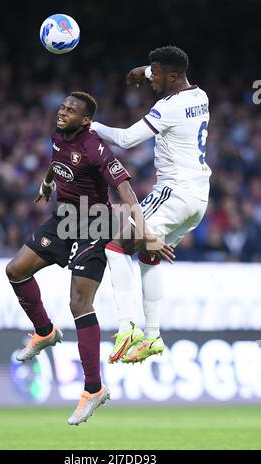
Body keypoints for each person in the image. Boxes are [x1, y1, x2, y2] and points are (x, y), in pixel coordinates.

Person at [6, 91, 168, 425]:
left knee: (79, 304)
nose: (63, 112)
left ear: (85, 120)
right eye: (63, 107)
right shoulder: (58, 135)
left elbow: (124, 191)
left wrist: (146, 231)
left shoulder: (95, 148)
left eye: (71, 111)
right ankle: (45, 332)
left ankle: (93, 389)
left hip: (96, 223)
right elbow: (56, 162)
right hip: (64, 219)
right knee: (16, 270)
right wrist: (47, 184)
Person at [91, 45, 211, 364]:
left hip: (173, 193)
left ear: (171, 77)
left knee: (115, 246)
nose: (152, 77)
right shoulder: (201, 97)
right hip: (198, 198)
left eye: (156, 73)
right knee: (148, 255)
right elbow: (165, 74)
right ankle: (154, 336)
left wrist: (90, 126)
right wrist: (144, 73)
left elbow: (127, 139)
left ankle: (128, 326)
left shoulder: (169, 106)